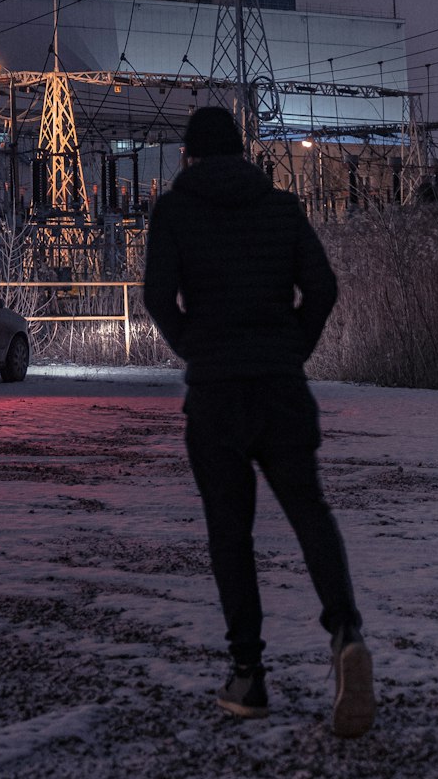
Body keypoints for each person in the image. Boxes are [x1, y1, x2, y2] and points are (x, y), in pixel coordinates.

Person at [143, 105, 375, 739]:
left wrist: (198, 347)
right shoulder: (281, 208)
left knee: (230, 532)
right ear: (243, 152)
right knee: (309, 512)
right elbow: (322, 288)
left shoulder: (174, 212)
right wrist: (290, 348)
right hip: (281, 387)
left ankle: (248, 674)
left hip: (217, 395)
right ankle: (347, 632)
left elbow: (158, 298)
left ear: (189, 155)